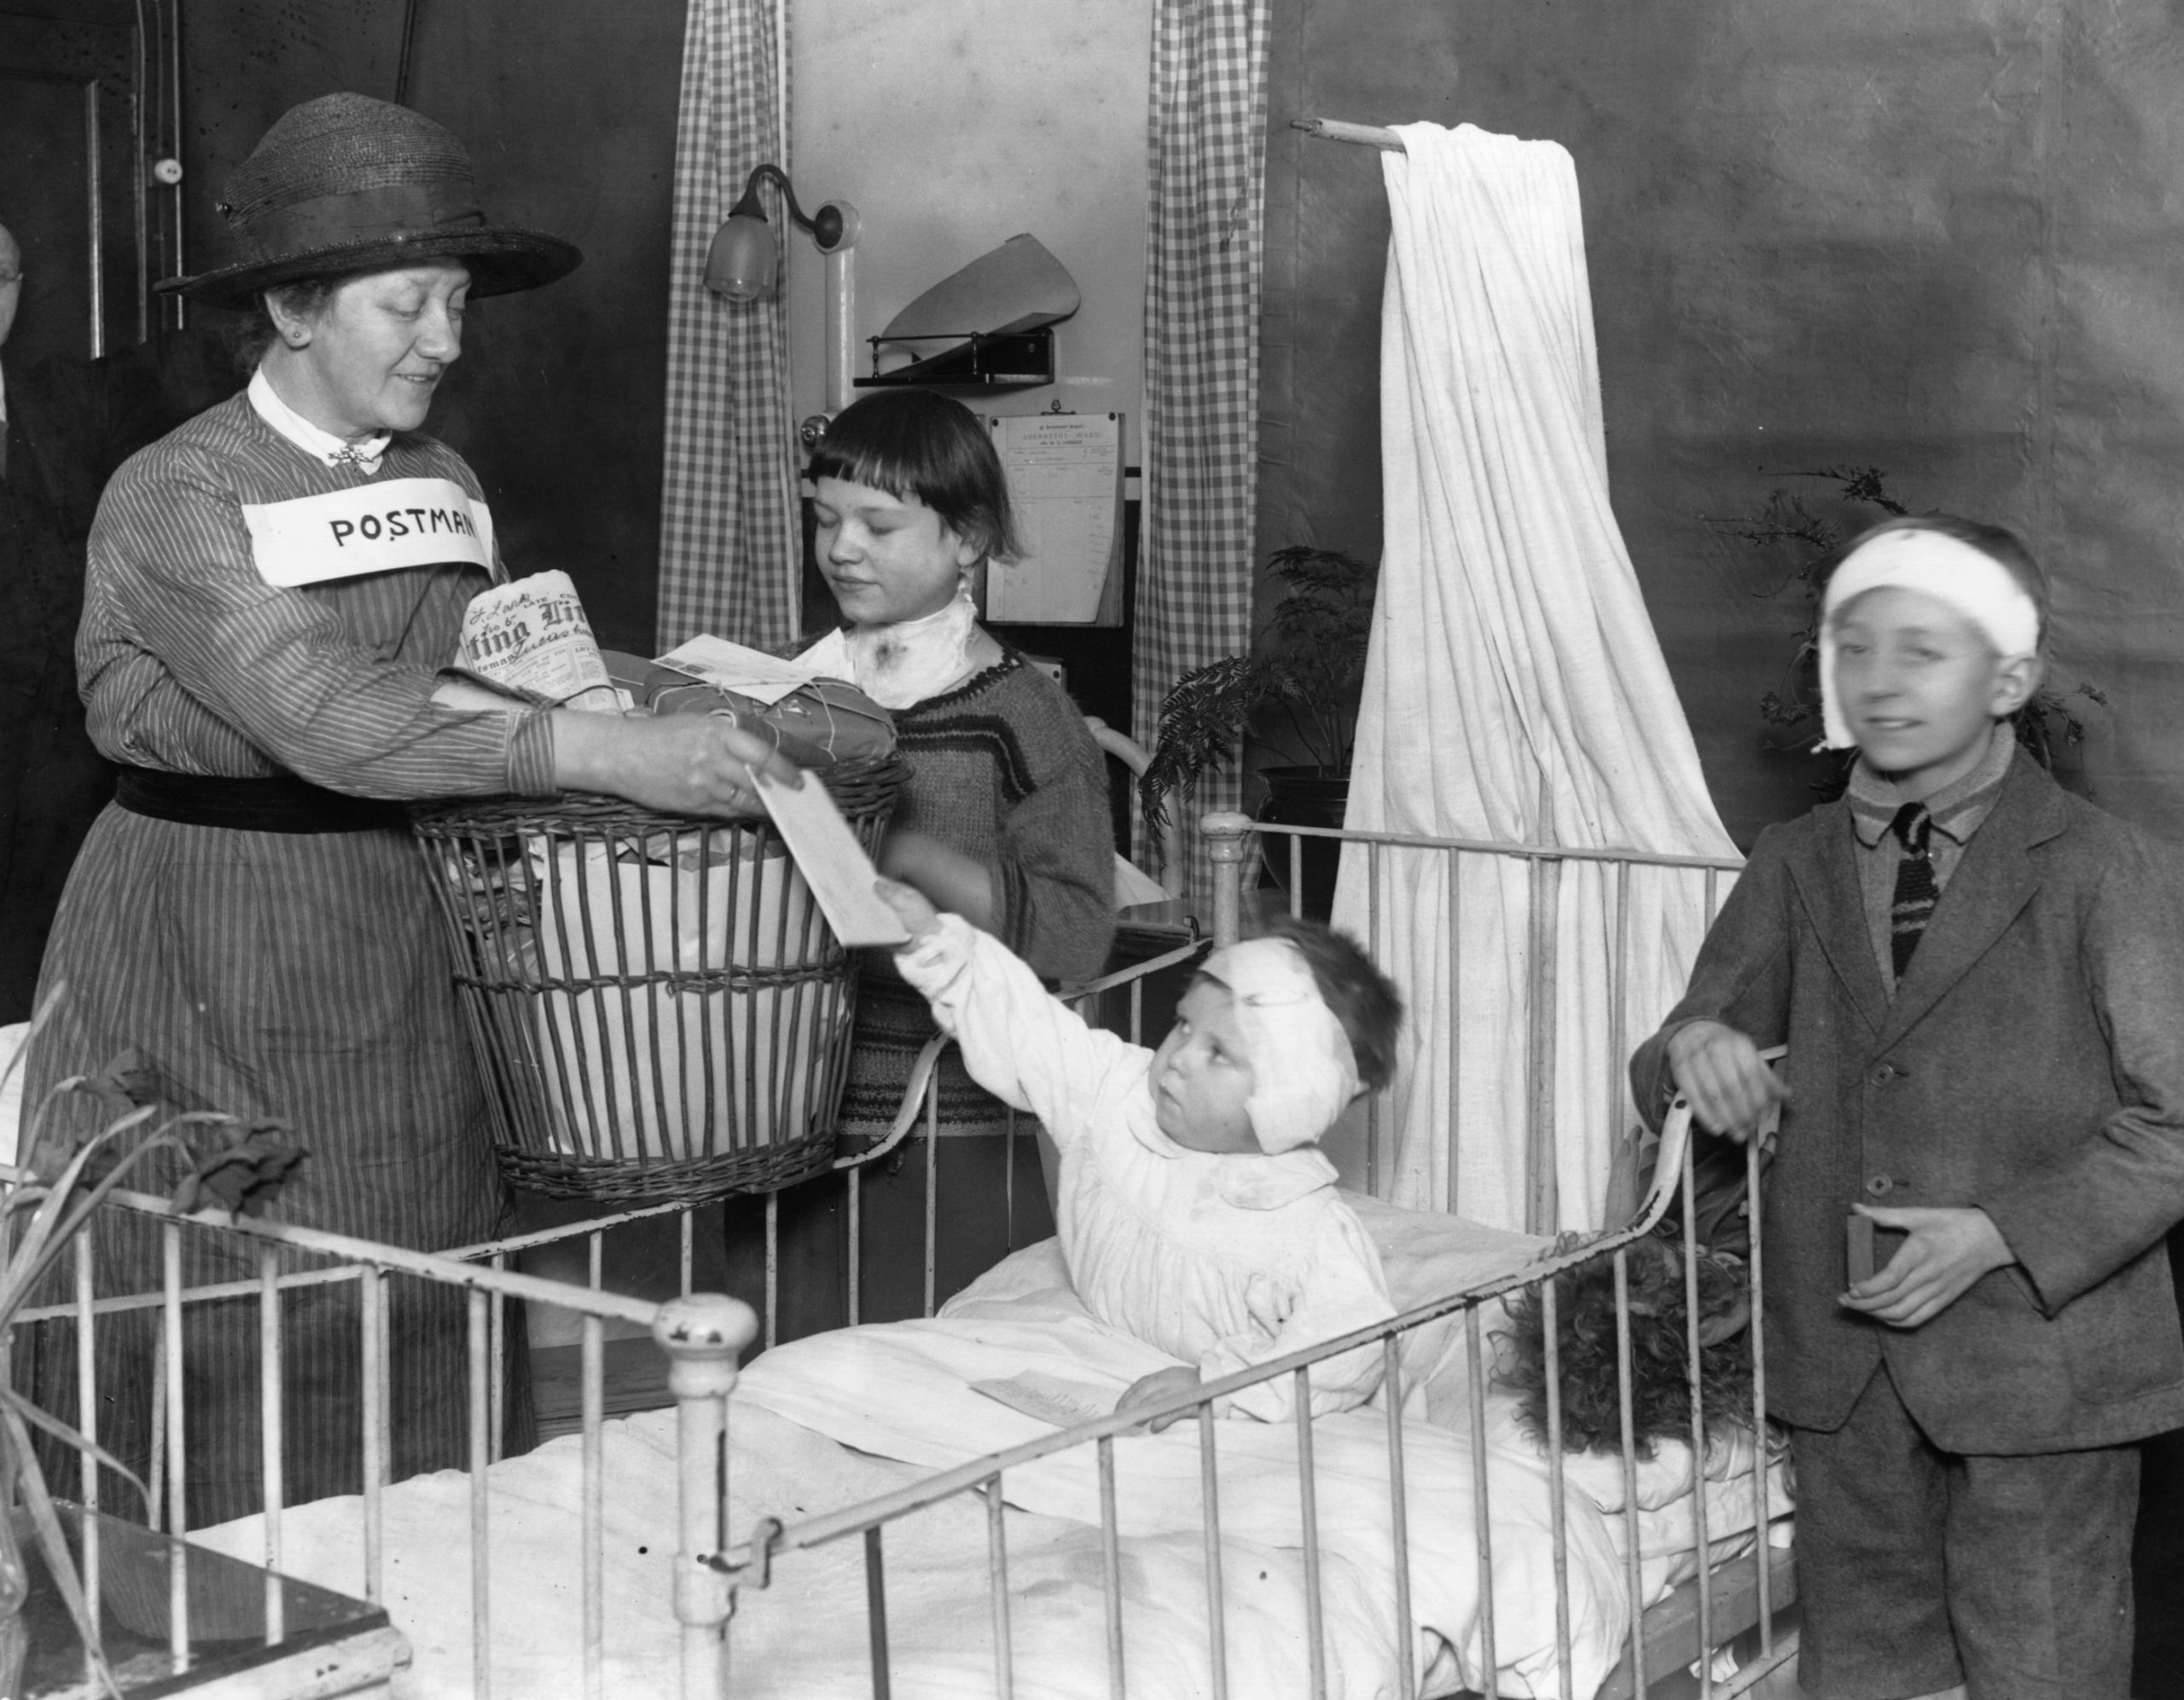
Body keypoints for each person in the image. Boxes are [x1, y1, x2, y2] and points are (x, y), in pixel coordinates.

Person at [23, 93, 789, 1527]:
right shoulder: (175, 493)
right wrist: (608, 758)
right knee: (217, 1279)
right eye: (407, 302)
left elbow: (476, 668)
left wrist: (663, 695)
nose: (446, 336)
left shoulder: (444, 478)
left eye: (455, 300)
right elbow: (321, 709)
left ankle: (430, 1602)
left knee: (417, 1259)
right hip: (201, 941)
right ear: (295, 307)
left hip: (397, 920)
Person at [1629, 515, 2184, 1700]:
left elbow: (2174, 1120)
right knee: (1864, 1668)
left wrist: (2002, 1233)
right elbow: (1671, 1053)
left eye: (1923, 650)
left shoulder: (2109, 869)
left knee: (2048, 1665)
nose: (1879, 681)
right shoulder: (1792, 859)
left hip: (2044, 1369)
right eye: (1855, 648)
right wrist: (1699, 1048)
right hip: (1845, 1364)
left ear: (2011, 678)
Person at [735, 389, 1115, 1334]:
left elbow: (1077, 928)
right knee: (778, 1381)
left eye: (877, 524)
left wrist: (910, 862)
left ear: (969, 539)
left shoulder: (1025, 712)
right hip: (781, 1106)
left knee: (936, 1389)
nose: (841, 548)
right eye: (824, 521)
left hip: (949, 1133)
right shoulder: (789, 687)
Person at [879, 876, 1403, 1424]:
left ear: (1291, 1099)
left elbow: (1350, 1352)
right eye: (1183, 1024)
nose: (1176, 1056)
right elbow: (1027, 1030)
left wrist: (1218, 1388)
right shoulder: (1118, 1096)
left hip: (1221, 1406)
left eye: (1218, 1053)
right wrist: (933, 940)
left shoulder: (1306, 1228)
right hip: (1096, 1343)